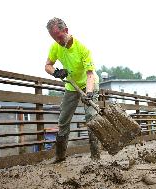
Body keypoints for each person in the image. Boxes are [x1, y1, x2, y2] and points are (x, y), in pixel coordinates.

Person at [45, 17, 100, 163]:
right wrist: (56, 72)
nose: (58, 41)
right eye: (54, 38)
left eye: (59, 37)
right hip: (71, 86)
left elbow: (90, 75)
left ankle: (96, 157)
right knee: (63, 120)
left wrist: (88, 93)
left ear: (66, 30)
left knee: (91, 118)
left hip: (89, 84)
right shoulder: (55, 47)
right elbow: (48, 65)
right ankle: (60, 156)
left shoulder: (82, 49)